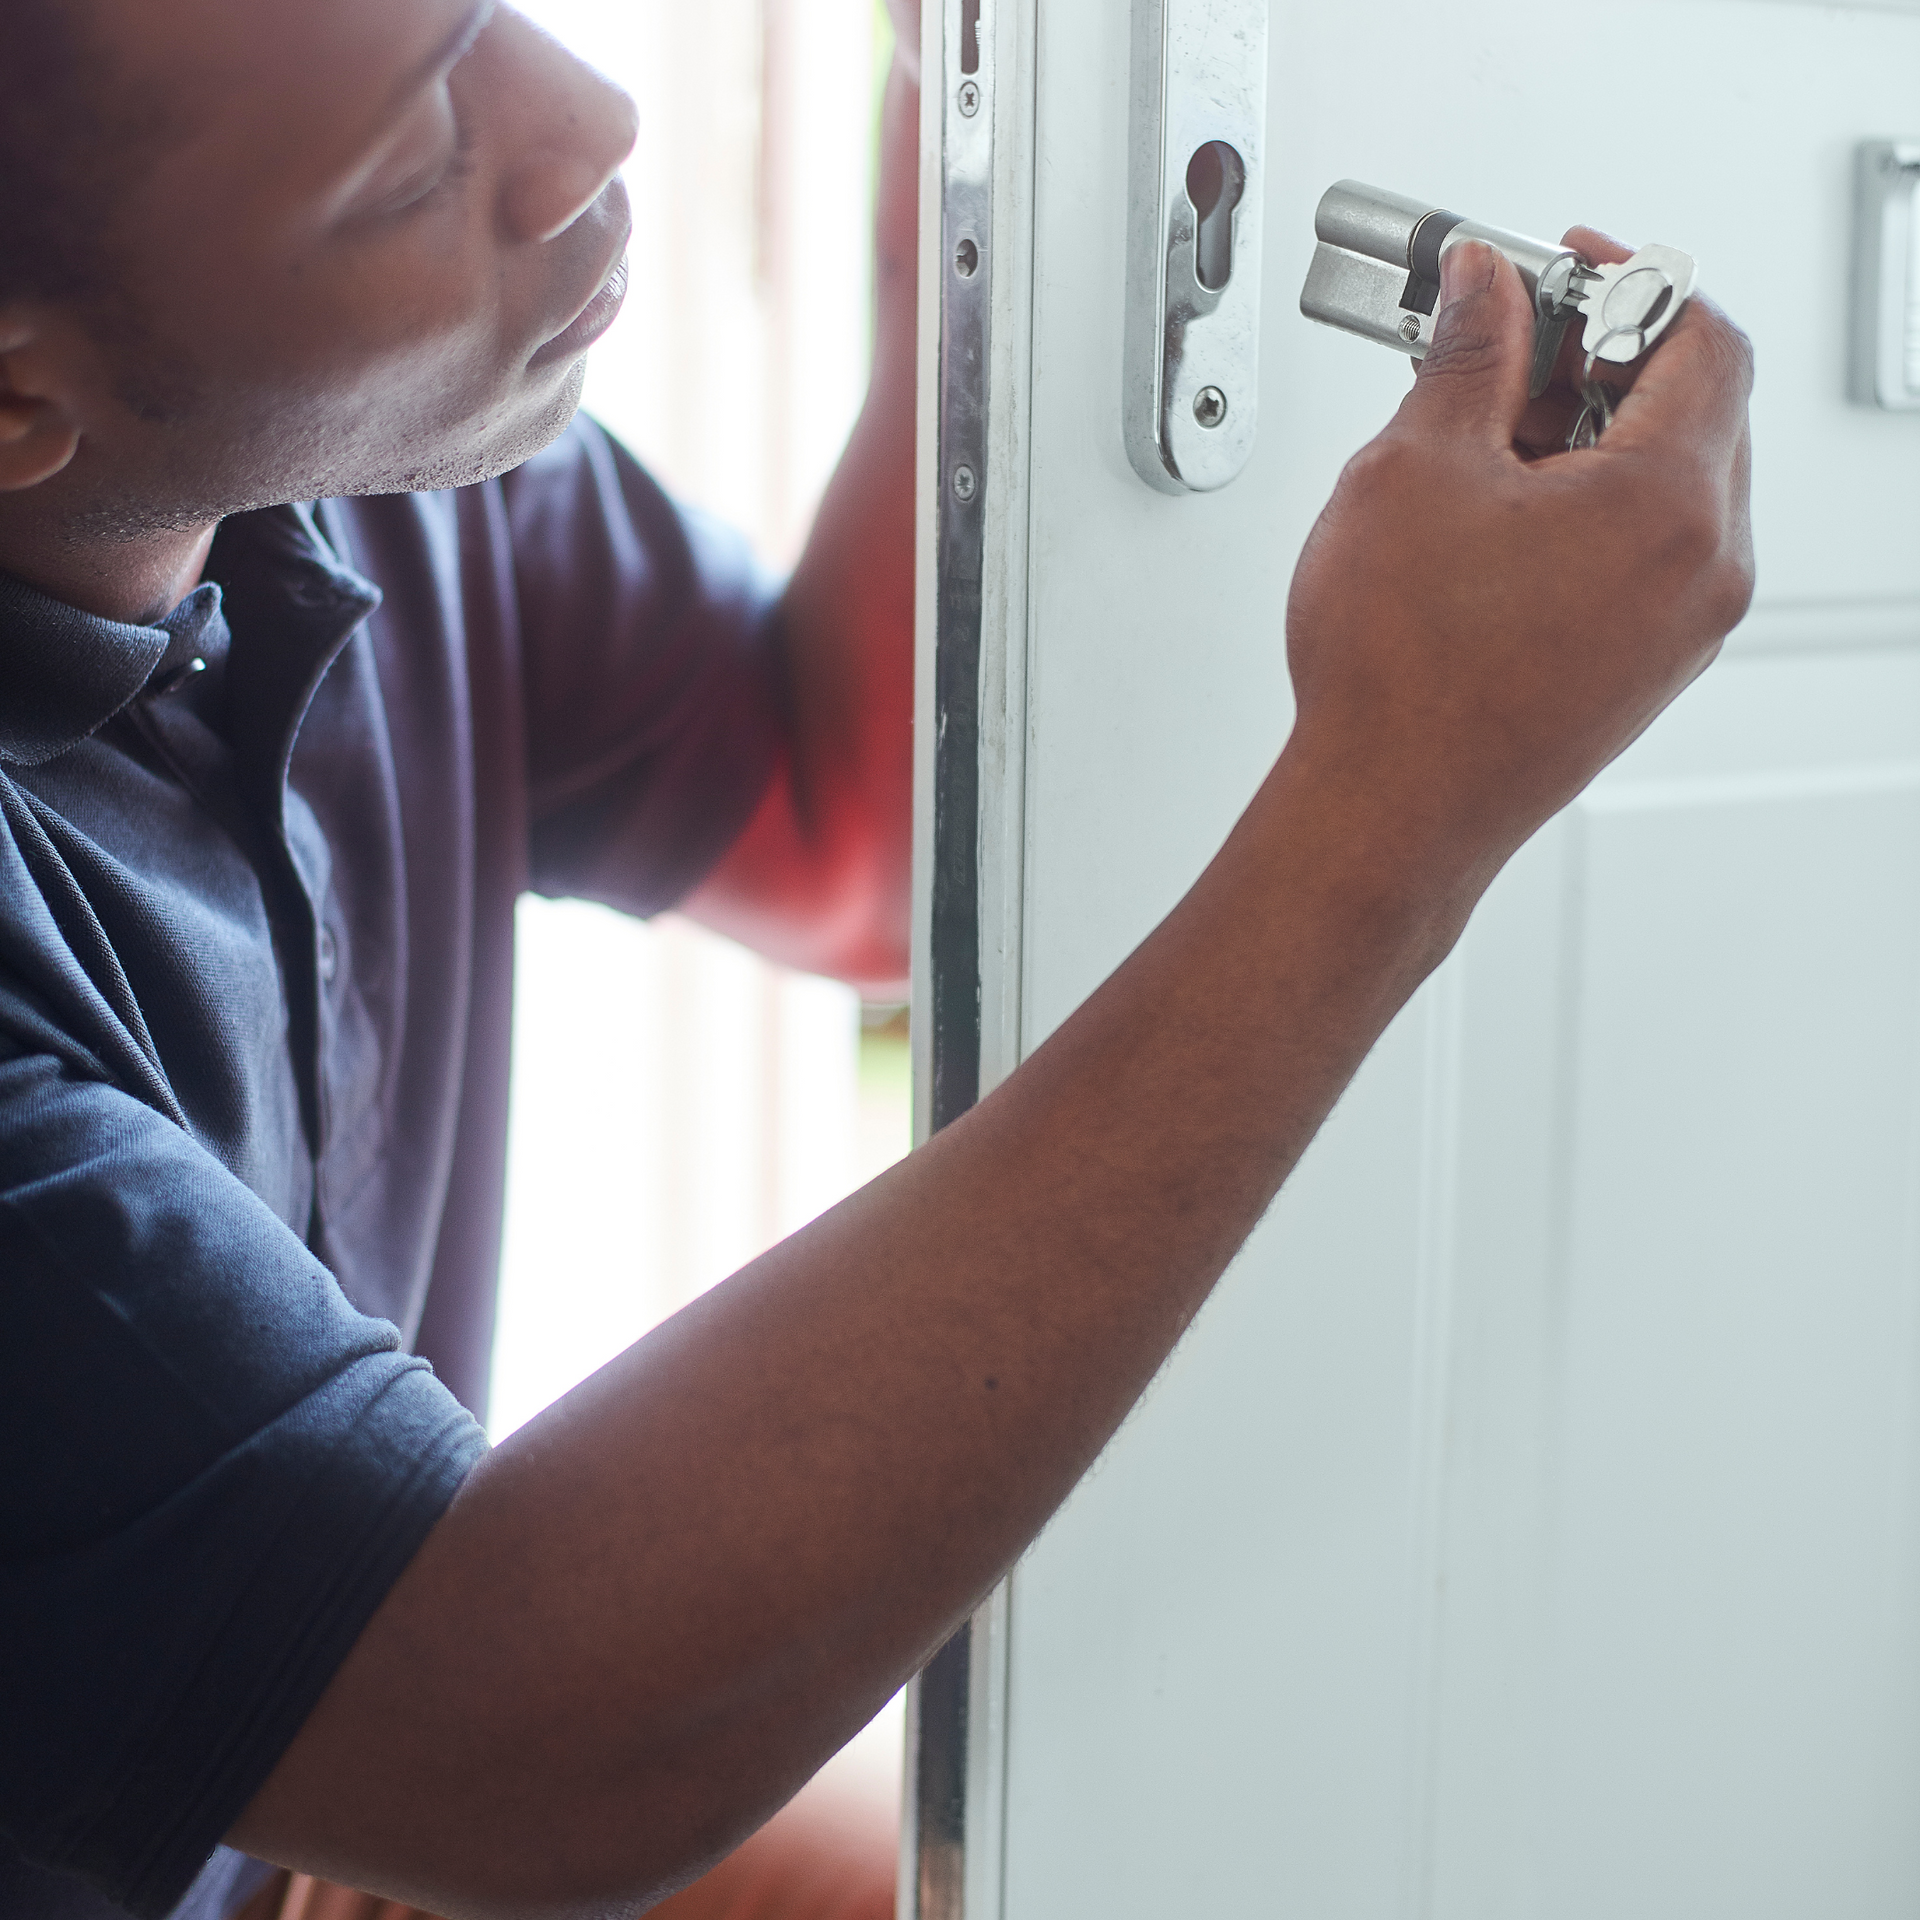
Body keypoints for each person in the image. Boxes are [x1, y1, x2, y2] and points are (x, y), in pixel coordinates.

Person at [0, 0, 1755, 1917]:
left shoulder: (323, 461)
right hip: (402, 1756)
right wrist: (1399, 806)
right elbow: (514, 1742)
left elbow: (832, 821)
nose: (594, 117)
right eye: (419, 154)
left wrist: (966, 108)